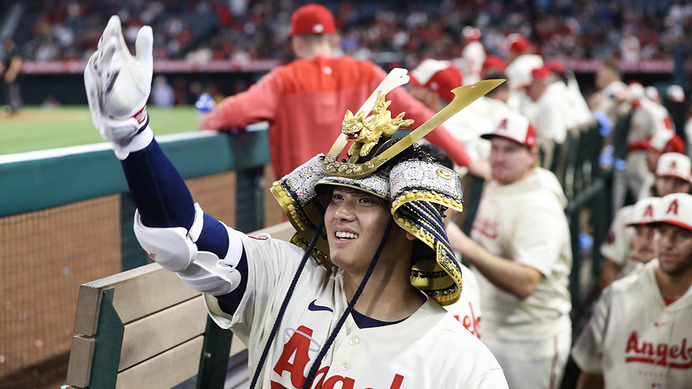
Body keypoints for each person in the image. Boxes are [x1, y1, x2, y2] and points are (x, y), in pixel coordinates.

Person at [84, 15, 508, 388]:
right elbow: (182, 235)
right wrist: (134, 134)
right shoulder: (284, 277)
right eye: (335, 196)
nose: (339, 211)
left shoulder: (465, 368)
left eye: (363, 200)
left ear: (407, 219)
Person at [199, 4, 490, 181]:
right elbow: (422, 117)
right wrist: (465, 159)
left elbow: (235, 112)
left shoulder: (284, 79)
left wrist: (209, 120)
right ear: (335, 39)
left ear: (297, 43)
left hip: (304, 206)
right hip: (358, 202)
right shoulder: (366, 72)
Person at [446, 112, 572, 389]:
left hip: (528, 339)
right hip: (489, 325)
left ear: (532, 155)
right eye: (495, 148)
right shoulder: (498, 181)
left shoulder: (539, 204)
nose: (499, 157)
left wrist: (465, 245)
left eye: (511, 150)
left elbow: (526, 282)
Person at [572, 192, 692, 389]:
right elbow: (591, 372)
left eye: (681, 235)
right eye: (661, 232)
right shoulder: (617, 296)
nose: (668, 243)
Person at [598, 152, 691, 290]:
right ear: (655, 179)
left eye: (679, 182)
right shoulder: (629, 215)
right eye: (666, 179)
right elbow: (611, 267)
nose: (671, 187)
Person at [1, 38, 22, 116]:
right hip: (6, 73)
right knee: (8, 91)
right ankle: (12, 107)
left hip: (11, 74)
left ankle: (15, 107)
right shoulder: (7, 51)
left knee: (13, 90)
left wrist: (12, 73)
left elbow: (16, 61)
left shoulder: (14, 50)